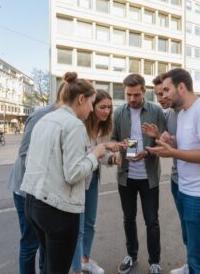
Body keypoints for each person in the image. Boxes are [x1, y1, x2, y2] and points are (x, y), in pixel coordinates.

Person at [20, 72, 107, 274]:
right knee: (58, 268)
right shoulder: (75, 125)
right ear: (81, 99)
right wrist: (95, 154)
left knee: (49, 263)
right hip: (57, 210)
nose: (92, 109)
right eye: (92, 103)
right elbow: (74, 173)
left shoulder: (46, 118)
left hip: (33, 202)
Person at [146, 68, 200, 274]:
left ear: (181, 87)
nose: (163, 96)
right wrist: (170, 141)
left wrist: (173, 151)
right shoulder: (181, 113)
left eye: (166, 90)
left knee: (198, 257)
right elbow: (189, 144)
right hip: (187, 189)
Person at [7, 77, 67, 274]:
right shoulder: (42, 114)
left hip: (46, 192)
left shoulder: (68, 118)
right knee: (30, 243)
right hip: (27, 190)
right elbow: (24, 154)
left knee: (46, 245)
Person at [111, 74, 167, 274]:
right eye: (128, 95)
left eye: (136, 95)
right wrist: (121, 147)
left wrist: (149, 150)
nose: (132, 99)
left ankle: (154, 261)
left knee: (152, 220)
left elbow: (165, 140)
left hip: (148, 177)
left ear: (144, 91)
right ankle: (131, 255)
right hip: (126, 176)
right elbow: (113, 139)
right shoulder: (119, 113)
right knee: (128, 218)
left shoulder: (156, 111)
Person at [71, 89, 123, 274]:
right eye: (102, 107)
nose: (106, 111)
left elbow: (101, 154)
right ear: (92, 106)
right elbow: (77, 155)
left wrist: (110, 158)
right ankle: (76, 267)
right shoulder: (80, 124)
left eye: (109, 107)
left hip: (93, 178)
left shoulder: (104, 126)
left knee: (90, 224)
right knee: (77, 226)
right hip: (77, 180)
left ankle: (85, 260)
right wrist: (101, 149)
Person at [142, 74, 187, 273]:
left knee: (198, 232)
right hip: (177, 180)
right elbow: (172, 143)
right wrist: (158, 137)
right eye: (158, 94)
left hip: (195, 183)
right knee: (187, 228)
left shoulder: (192, 110)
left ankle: (199, 266)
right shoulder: (169, 115)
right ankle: (191, 264)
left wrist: (163, 143)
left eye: (164, 92)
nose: (161, 98)